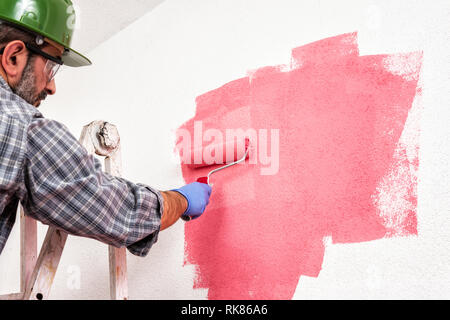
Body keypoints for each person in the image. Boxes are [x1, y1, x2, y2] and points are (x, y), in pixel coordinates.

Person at [0, 0, 212, 257]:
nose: (52, 87)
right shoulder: (21, 128)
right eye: (51, 66)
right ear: (13, 57)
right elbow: (118, 211)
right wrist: (182, 200)